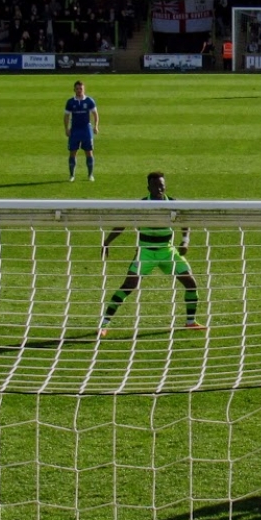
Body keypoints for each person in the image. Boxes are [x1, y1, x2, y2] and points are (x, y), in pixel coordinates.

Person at [100, 172, 205, 335]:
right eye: (155, 186)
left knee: (190, 283)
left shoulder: (173, 204)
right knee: (128, 286)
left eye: (161, 186)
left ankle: (190, 322)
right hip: (146, 252)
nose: (159, 189)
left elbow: (185, 222)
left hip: (167, 251)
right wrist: (107, 241)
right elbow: (123, 224)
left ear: (165, 186)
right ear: (148, 187)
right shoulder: (141, 206)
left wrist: (185, 240)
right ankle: (104, 324)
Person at [64, 80, 99, 182]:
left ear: (84, 89)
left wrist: (96, 126)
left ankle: (90, 175)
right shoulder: (70, 102)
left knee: (89, 152)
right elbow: (66, 116)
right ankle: (72, 175)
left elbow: (95, 114)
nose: (79, 90)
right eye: (77, 89)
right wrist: (66, 128)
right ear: (74, 90)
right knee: (72, 152)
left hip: (86, 130)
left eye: (81, 89)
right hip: (75, 130)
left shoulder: (89, 101)